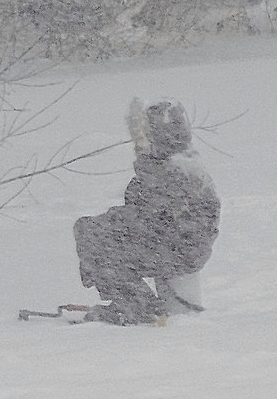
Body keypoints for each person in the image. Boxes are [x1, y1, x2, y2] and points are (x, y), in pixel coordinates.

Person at [73, 98, 220, 324]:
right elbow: (145, 209)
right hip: (175, 245)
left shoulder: (177, 169)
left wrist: (110, 224)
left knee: (96, 240)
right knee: (97, 233)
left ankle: (139, 307)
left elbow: (153, 205)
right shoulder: (181, 161)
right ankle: (136, 302)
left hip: (177, 250)